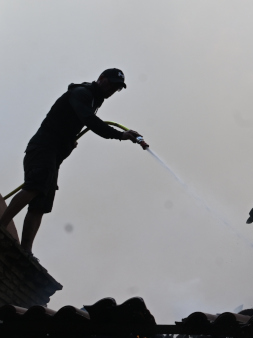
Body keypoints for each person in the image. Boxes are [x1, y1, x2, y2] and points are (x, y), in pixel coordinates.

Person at [0, 69, 146, 252]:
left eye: (116, 88)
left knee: (42, 202)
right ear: (101, 79)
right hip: (42, 148)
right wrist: (121, 135)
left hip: (52, 155)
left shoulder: (92, 101)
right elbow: (90, 121)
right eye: (111, 84)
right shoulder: (81, 93)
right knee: (35, 186)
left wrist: (65, 150)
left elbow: (70, 131)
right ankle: (2, 226)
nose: (112, 90)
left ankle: (25, 251)